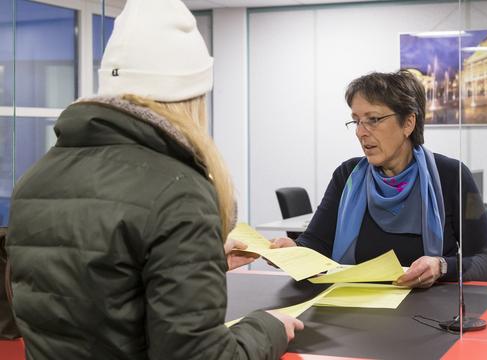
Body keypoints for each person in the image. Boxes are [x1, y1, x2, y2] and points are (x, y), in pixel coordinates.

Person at [5, 0, 302, 359]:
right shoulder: (179, 191)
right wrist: (267, 328)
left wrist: (196, 262)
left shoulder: (36, 178)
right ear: (191, 99)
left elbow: (94, 296)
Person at [271, 70, 487, 288]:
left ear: (408, 123)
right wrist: (293, 251)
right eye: (356, 120)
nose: (361, 132)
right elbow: (316, 244)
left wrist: (441, 266)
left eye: (373, 119)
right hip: (353, 310)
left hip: (427, 317)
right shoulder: (347, 176)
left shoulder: (452, 175)